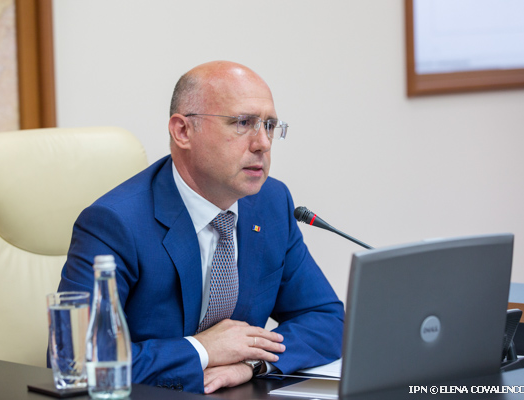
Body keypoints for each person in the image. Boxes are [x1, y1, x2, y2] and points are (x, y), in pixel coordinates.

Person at [57, 61, 344, 394]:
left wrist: (251, 362)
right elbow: (79, 362)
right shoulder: (114, 224)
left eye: (269, 125)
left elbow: (328, 319)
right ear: (183, 131)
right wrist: (203, 350)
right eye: (243, 123)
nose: (263, 143)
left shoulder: (271, 203)